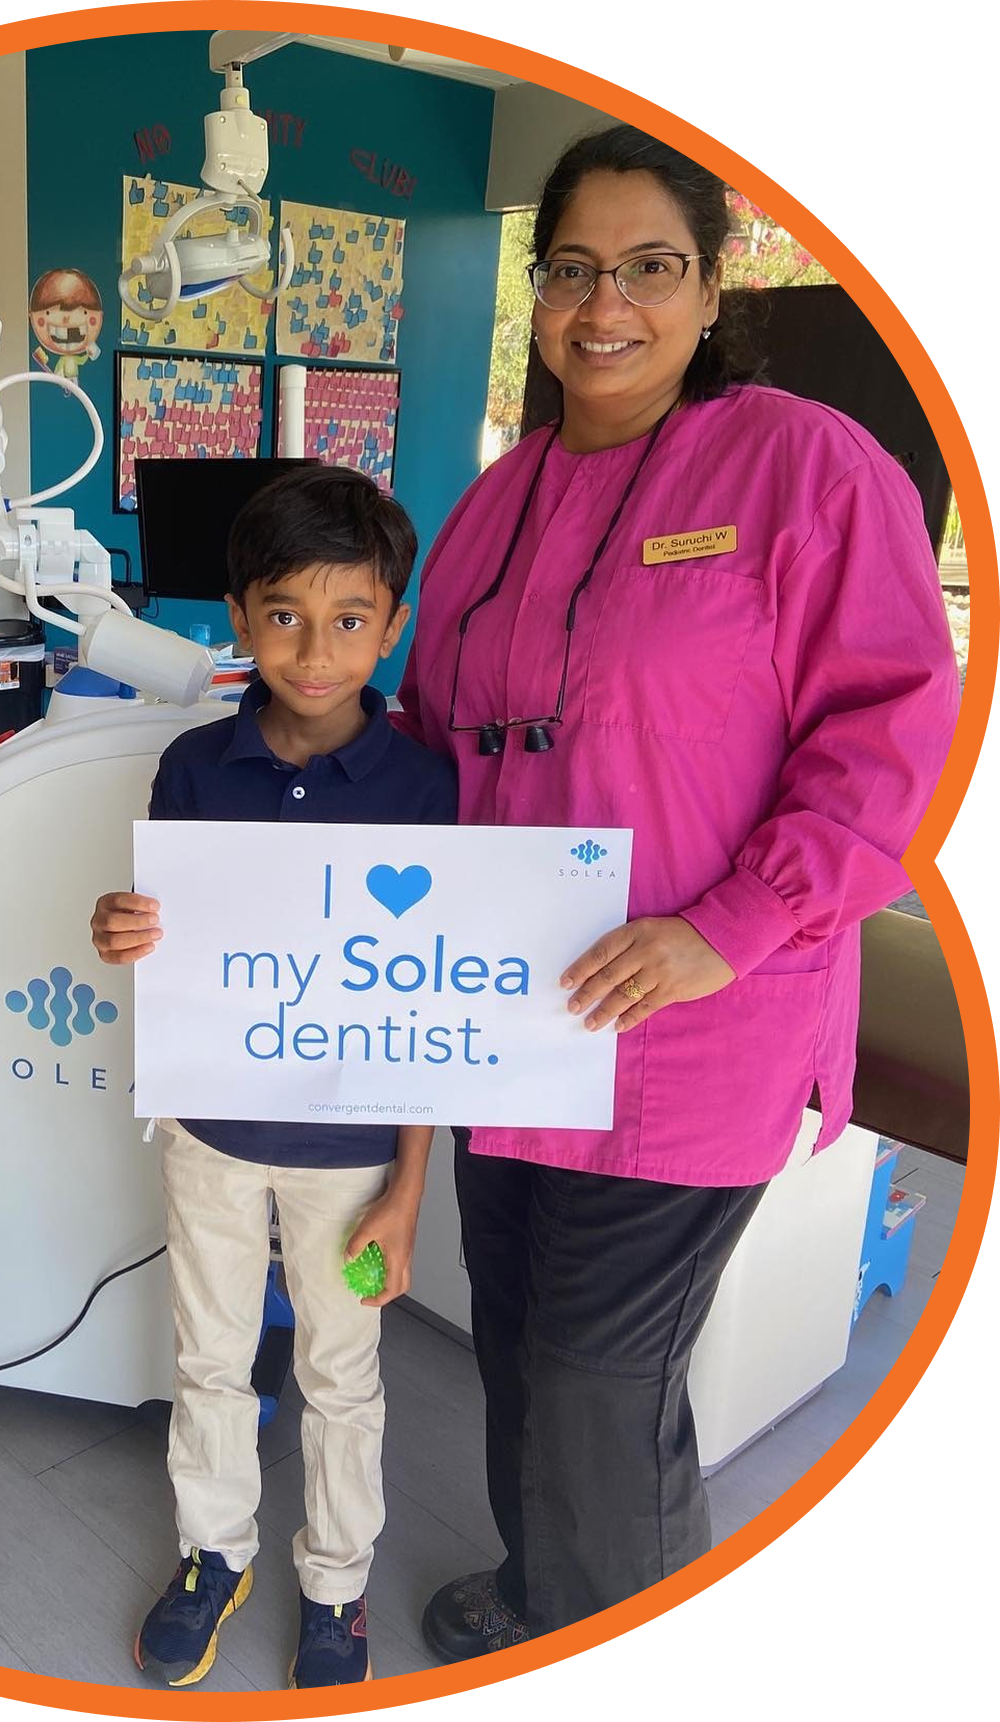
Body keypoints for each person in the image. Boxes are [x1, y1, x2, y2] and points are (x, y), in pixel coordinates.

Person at [381, 125, 960, 1654]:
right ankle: (533, 1589)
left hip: (697, 1029)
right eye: (572, 267)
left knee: (596, 1381)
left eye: (650, 266)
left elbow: (892, 733)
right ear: (537, 290)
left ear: (712, 292)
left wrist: (731, 928)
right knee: (516, 1342)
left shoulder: (801, 467)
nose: (605, 305)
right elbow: (437, 742)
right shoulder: (492, 506)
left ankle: (590, 1608)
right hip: (512, 1021)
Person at [90, 465, 458, 1689]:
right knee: (208, 1353)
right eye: (284, 614)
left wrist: (408, 1188)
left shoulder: (427, 791)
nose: (316, 648)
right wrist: (123, 928)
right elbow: (173, 938)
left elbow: (430, 1006)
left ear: (392, 624)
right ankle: (215, 1550)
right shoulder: (195, 770)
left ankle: (338, 1588)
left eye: (351, 618)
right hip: (209, 1140)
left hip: (352, 1162)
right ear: (238, 618)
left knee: (341, 1373)